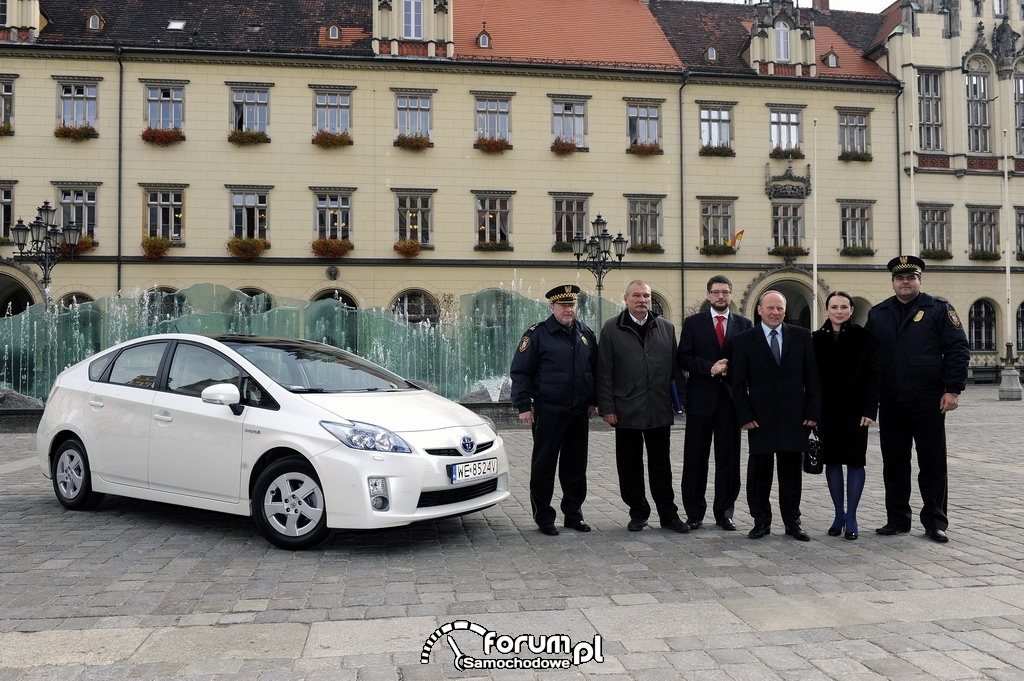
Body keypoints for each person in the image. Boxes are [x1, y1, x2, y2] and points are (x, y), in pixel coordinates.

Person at [864, 255, 969, 543]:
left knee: (932, 463)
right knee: (894, 462)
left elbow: (958, 348)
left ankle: (935, 521)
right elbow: (869, 360)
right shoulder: (878, 313)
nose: (905, 282)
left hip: (928, 399)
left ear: (920, 281)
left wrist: (952, 389)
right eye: (900, 278)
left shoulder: (939, 309)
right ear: (893, 282)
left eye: (911, 277)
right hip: (892, 400)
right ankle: (897, 519)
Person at [597, 280, 689, 533]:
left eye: (646, 295)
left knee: (662, 466)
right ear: (625, 299)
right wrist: (607, 407)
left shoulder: (666, 328)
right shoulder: (612, 329)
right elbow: (604, 371)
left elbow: (674, 370)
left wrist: (679, 401)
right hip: (626, 409)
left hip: (659, 408)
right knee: (629, 466)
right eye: (636, 295)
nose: (642, 299)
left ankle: (668, 515)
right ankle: (638, 512)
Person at [730, 290, 821, 541]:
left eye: (780, 308)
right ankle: (761, 521)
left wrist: (813, 411)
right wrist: (744, 415)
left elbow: (812, 377)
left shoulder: (802, 337)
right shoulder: (744, 340)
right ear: (759, 310)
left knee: (791, 474)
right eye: (770, 308)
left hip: (795, 417)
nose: (775, 313)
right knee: (759, 473)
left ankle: (793, 522)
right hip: (759, 418)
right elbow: (737, 384)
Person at [509, 284, 599, 536]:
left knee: (575, 466)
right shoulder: (537, 334)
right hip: (548, 410)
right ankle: (544, 517)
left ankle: (573, 514)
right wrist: (523, 405)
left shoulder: (585, 333)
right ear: (552, 307)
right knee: (544, 465)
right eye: (563, 305)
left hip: (578, 411)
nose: (568, 310)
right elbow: (520, 371)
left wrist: (593, 401)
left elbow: (594, 370)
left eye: (571, 305)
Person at [677, 275, 753, 531]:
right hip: (701, 400)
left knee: (729, 460)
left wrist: (729, 367)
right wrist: (709, 367)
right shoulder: (693, 323)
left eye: (725, 292)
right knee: (695, 459)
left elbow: (749, 363)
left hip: (731, 403)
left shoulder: (744, 324)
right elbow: (683, 358)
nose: (721, 296)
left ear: (731, 294)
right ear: (709, 295)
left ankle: (724, 512)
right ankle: (694, 512)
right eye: (716, 292)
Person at [811, 291, 876, 541]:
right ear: (826, 310)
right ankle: (839, 513)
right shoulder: (815, 339)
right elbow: (811, 380)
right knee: (833, 461)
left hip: (856, 412)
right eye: (834, 307)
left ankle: (852, 516)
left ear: (851, 310)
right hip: (827, 412)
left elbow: (873, 376)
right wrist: (813, 412)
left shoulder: (864, 337)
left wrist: (870, 410)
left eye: (844, 307)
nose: (839, 311)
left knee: (856, 462)